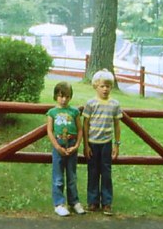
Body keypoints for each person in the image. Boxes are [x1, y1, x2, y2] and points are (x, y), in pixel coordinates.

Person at [82, 69, 121, 215]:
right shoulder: (90, 103)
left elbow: (117, 125)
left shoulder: (114, 104)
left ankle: (107, 202)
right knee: (92, 172)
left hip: (106, 143)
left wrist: (116, 145)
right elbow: (85, 124)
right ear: (95, 86)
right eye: (102, 86)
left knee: (106, 173)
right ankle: (92, 201)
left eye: (108, 86)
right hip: (92, 143)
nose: (105, 89)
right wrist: (85, 145)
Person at [46, 81, 85, 217]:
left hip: (72, 145)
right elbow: (49, 131)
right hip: (58, 146)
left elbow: (80, 130)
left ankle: (74, 202)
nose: (64, 99)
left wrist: (77, 145)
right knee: (58, 177)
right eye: (61, 96)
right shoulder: (52, 112)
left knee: (72, 176)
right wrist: (57, 146)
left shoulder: (74, 112)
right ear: (56, 96)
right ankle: (59, 203)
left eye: (67, 97)